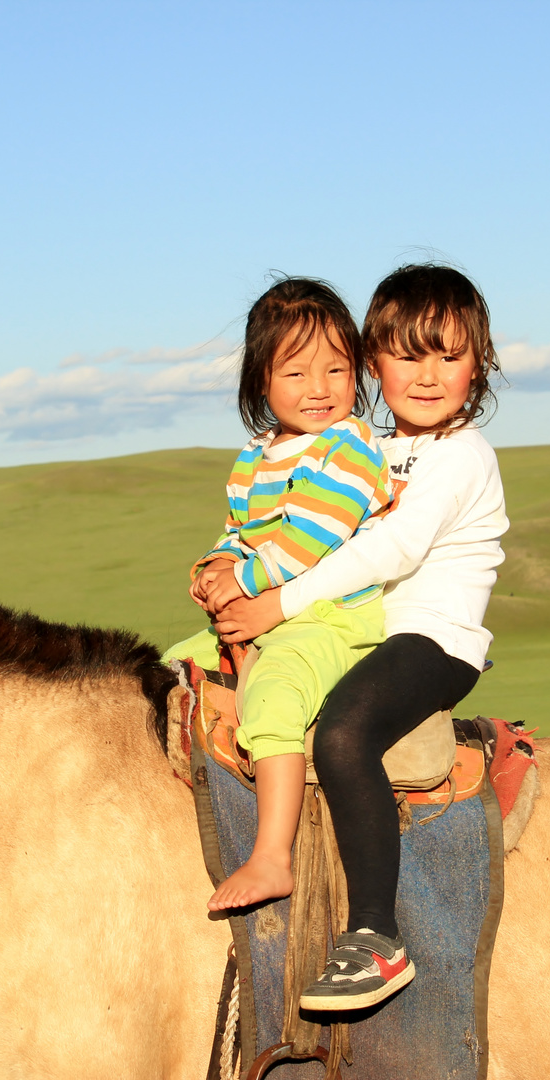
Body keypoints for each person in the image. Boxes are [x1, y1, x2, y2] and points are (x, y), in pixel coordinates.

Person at [213, 264, 509, 1010]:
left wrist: (277, 604)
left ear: (479, 364)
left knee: (344, 733)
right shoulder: (368, 446)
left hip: (431, 639)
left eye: (448, 355)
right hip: (360, 628)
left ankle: (376, 936)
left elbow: (391, 551)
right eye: (408, 355)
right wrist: (224, 566)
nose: (428, 374)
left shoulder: (459, 455)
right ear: (374, 362)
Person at [164, 276, 391, 913]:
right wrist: (214, 567)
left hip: (331, 618)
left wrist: (244, 579)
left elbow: (308, 539)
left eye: (336, 369)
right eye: (295, 372)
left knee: (276, 702)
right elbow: (243, 532)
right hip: (267, 607)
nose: (318, 388)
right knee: (171, 669)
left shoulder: (350, 446)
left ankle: (271, 856)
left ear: (358, 372)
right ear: (261, 380)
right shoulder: (255, 457)